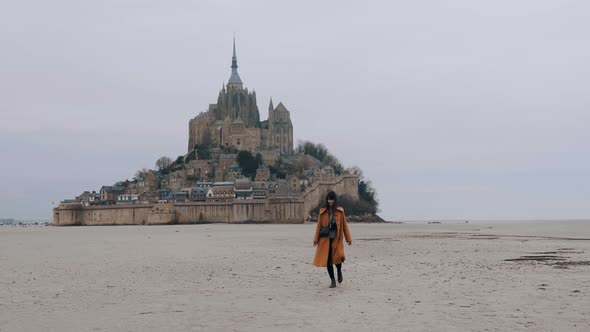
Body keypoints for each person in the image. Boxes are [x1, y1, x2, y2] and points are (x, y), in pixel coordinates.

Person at [313, 191, 352, 288]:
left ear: (335, 200)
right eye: (329, 199)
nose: (330, 201)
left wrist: (348, 238)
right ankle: (332, 280)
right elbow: (319, 226)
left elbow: (344, 226)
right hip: (325, 240)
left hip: (337, 239)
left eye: (332, 199)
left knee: (338, 258)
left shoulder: (340, 211)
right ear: (327, 199)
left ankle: (339, 272)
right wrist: (316, 238)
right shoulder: (322, 211)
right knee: (328, 261)